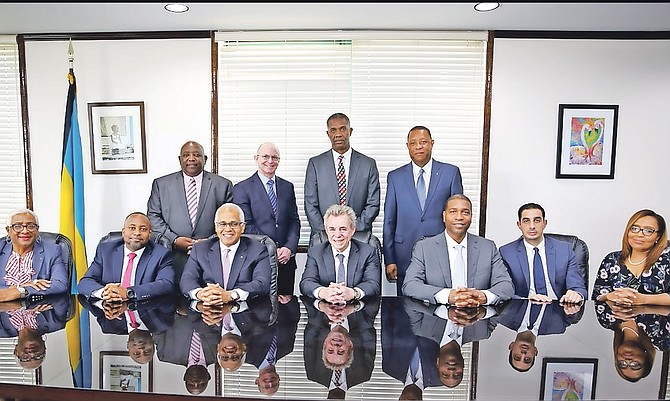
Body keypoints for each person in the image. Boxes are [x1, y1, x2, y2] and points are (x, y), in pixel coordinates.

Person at [383, 125, 463, 292]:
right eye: (413, 143)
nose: (418, 146)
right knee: (405, 309)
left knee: (440, 305)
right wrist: (389, 259)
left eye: (423, 142)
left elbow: (457, 218)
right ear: (407, 146)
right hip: (404, 254)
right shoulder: (395, 176)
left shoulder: (450, 173)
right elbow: (390, 219)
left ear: (432, 143)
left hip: (441, 253)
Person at [402, 194, 514, 306]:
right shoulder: (424, 247)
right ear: (444, 216)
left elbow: (506, 285)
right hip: (437, 319)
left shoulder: (487, 247)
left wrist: (483, 296)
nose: (459, 217)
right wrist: (447, 296)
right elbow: (410, 285)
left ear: (471, 216)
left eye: (465, 212)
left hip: (478, 317)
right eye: (453, 212)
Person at [147, 140, 234, 282]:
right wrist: (174, 239)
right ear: (179, 159)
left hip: (211, 255)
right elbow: (153, 216)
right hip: (172, 256)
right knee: (173, 299)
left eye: (197, 155)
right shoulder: (161, 184)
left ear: (205, 159)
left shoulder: (223, 185)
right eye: (186, 155)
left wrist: (209, 241)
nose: (191, 159)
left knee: (211, 298)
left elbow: (230, 220)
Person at [233, 142, 301, 295]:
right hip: (257, 259)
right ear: (256, 158)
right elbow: (246, 225)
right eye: (265, 156)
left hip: (285, 261)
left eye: (274, 157)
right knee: (257, 311)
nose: (270, 161)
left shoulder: (287, 187)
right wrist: (271, 248)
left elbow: (294, 221)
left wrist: (289, 248)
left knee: (285, 309)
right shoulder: (242, 188)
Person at [304, 112, 380, 243]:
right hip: (324, 237)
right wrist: (329, 230)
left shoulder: (368, 164)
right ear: (328, 134)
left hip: (359, 236)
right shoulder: (315, 164)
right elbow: (310, 204)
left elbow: (373, 203)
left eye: (342, 129)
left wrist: (353, 228)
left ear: (350, 131)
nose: (338, 134)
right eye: (333, 130)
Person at [180, 203, 271, 304]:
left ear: (243, 227)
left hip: (244, 312)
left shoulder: (258, 250)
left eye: (234, 224)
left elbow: (262, 283)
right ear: (216, 227)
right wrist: (200, 294)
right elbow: (187, 280)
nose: (228, 229)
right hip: (207, 311)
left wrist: (231, 295)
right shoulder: (200, 249)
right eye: (222, 224)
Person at [499, 202, 587, 303]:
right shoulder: (506, 253)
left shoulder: (565, 250)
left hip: (559, 310)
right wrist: (526, 299)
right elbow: (503, 291)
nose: (532, 226)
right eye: (526, 221)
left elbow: (579, 288)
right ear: (519, 225)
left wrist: (576, 294)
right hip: (524, 309)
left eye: (537, 220)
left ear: (544, 223)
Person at [77, 212, 175, 302]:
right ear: (123, 232)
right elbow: (85, 282)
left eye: (143, 229)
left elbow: (166, 284)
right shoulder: (106, 251)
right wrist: (104, 293)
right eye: (132, 228)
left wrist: (129, 292)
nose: (137, 233)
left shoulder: (161, 254)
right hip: (110, 312)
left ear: (149, 235)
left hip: (145, 312)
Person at [300, 204, 381, 303]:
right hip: (325, 313)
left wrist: (353, 293)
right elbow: (306, 283)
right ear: (326, 230)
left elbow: (373, 284)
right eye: (332, 229)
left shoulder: (368, 252)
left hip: (357, 312)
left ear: (352, 230)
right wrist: (324, 292)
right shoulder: (316, 252)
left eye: (343, 229)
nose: (337, 235)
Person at [302, 295, 378, 397]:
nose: (336, 347)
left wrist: (323, 314)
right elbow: (369, 339)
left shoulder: (314, 374)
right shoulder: (362, 375)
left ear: (324, 344)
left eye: (330, 350)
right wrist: (354, 311)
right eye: (341, 351)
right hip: (356, 313)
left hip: (324, 311)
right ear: (351, 346)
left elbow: (310, 342)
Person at [592, 209, 670, 306]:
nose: (639, 234)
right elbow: (596, 298)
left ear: (658, 237)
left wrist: (644, 299)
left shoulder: (666, 260)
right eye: (634, 228)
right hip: (618, 319)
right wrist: (609, 296)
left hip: (658, 319)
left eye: (648, 231)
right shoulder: (611, 260)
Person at [0, 208, 68, 302]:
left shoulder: (52, 251)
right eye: (18, 226)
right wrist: (20, 286)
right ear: (8, 230)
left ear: (37, 230)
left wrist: (22, 291)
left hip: (36, 308)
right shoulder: (1, 248)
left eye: (31, 226)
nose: (25, 231)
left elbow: (60, 284)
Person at [500, 299, 584, 372]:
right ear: (535, 352)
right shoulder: (558, 326)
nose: (523, 353)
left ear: (511, 346)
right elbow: (576, 301)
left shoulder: (503, 316)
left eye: (517, 357)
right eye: (527, 359)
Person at [0, 294, 70, 370]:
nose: (32, 353)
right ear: (44, 347)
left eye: (25, 358)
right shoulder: (55, 323)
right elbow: (62, 300)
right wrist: (35, 305)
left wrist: (23, 306)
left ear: (16, 351)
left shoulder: (2, 329)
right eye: (38, 356)